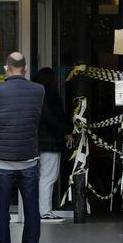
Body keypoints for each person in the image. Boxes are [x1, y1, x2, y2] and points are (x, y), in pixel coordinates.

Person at [0, 52, 44, 243]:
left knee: (1, 210)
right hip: (29, 159)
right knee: (31, 209)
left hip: (1, 160)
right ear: (25, 69)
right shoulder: (39, 90)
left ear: (6, 68)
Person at [34, 67, 70, 220]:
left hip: (36, 141)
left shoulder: (36, 95)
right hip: (49, 141)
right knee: (48, 177)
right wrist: (66, 131)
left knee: (40, 177)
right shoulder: (49, 96)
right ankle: (44, 211)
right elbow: (52, 119)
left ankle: (39, 210)